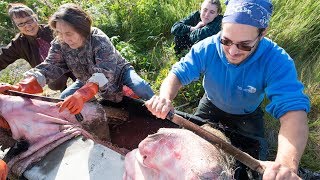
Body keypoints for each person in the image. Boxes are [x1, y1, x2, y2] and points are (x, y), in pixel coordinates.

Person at [145, 0, 310, 179]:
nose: (232, 51)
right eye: (226, 40)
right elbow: (177, 74)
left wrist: (286, 165)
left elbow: (293, 113)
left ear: (263, 33)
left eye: (244, 45)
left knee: (252, 166)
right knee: (188, 151)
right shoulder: (208, 46)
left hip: (247, 114)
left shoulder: (276, 60)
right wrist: (164, 97)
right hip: (210, 105)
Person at [0, 3, 154, 115]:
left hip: (119, 72)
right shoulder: (60, 43)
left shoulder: (98, 38)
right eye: (59, 33)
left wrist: (83, 93)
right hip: (85, 78)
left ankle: (165, 114)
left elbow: (105, 72)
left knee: (141, 87)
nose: (64, 38)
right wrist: (24, 86)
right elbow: (50, 65)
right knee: (63, 100)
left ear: (82, 29)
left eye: (69, 33)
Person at [0, 3, 75, 91]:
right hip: (52, 75)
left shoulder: (53, 29)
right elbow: (2, 59)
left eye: (29, 20)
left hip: (74, 65)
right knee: (57, 84)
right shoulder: (18, 43)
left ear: (35, 17)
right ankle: (64, 91)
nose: (27, 26)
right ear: (16, 26)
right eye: (21, 24)